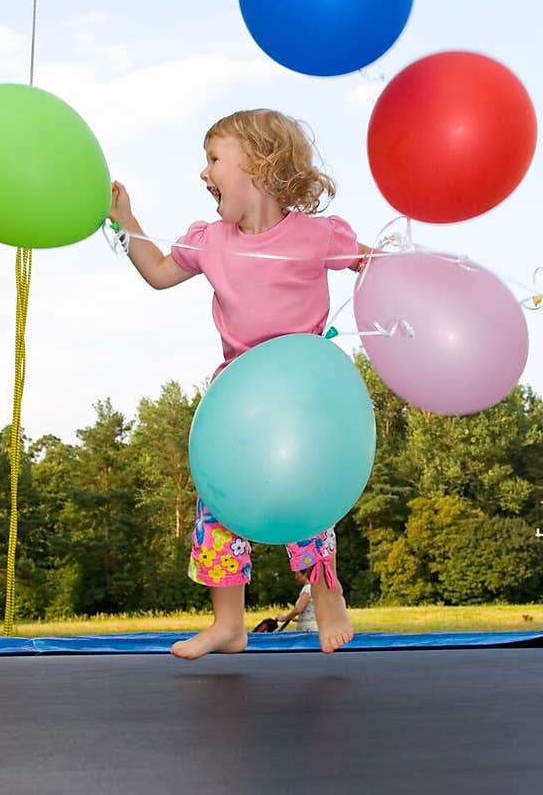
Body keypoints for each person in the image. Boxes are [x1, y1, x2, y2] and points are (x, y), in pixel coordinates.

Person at [108, 108, 371, 660]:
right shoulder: (211, 241)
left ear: (258, 160)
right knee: (219, 505)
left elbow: (371, 263)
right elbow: (157, 272)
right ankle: (228, 623)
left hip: (302, 398)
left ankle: (328, 598)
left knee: (306, 501)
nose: (204, 174)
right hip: (238, 401)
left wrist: (412, 276)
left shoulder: (316, 236)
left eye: (212, 159)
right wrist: (126, 218)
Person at [277, 568, 318, 633]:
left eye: (297, 574)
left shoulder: (307, 589)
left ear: (305, 574)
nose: (296, 577)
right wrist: (296, 619)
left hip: (308, 628)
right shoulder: (315, 588)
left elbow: (298, 609)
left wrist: (284, 618)